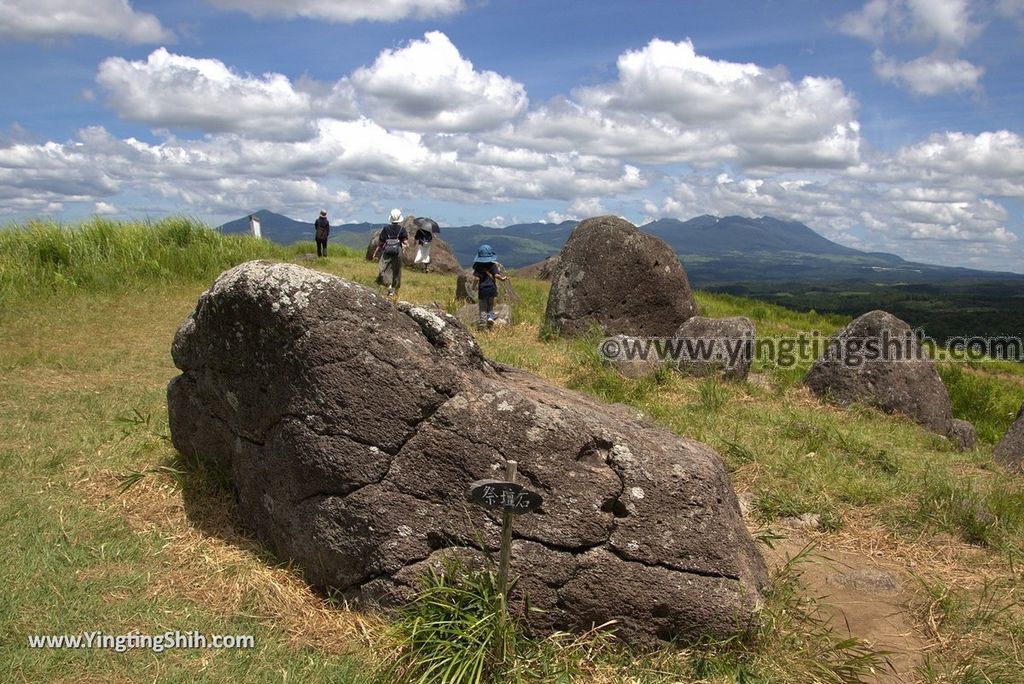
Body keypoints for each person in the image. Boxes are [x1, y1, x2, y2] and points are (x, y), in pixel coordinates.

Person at [372, 208, 408, 300]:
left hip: (387, 250)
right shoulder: (402, 229)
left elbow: (381, 242)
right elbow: (405, 242)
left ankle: (388, 286)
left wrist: (376, 252)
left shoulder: (386, 228)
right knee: (396, 270)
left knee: (384, 267)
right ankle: (394, 289)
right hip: (397, 251)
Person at [472, 244, 508, 328]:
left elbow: (476, 279)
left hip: (483, 289)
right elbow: (496, 276)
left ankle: (483, 323)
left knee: (483, 307)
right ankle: (490, 317)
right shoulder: (492, 265)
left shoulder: (478, 266)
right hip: (492, 289)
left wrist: (473, 287)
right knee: (490, 304)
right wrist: (502, 279)